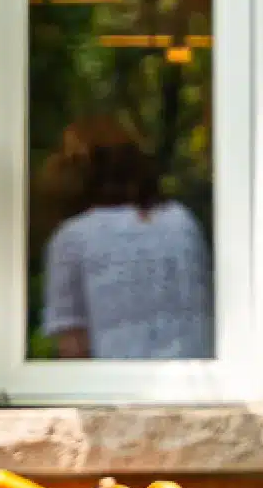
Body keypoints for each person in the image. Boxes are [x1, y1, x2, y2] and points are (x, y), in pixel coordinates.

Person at [40, 116, 213, 360]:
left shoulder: (73, 239)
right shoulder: (181, 220)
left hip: (118, 392)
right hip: (200, 389)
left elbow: (73, 347)